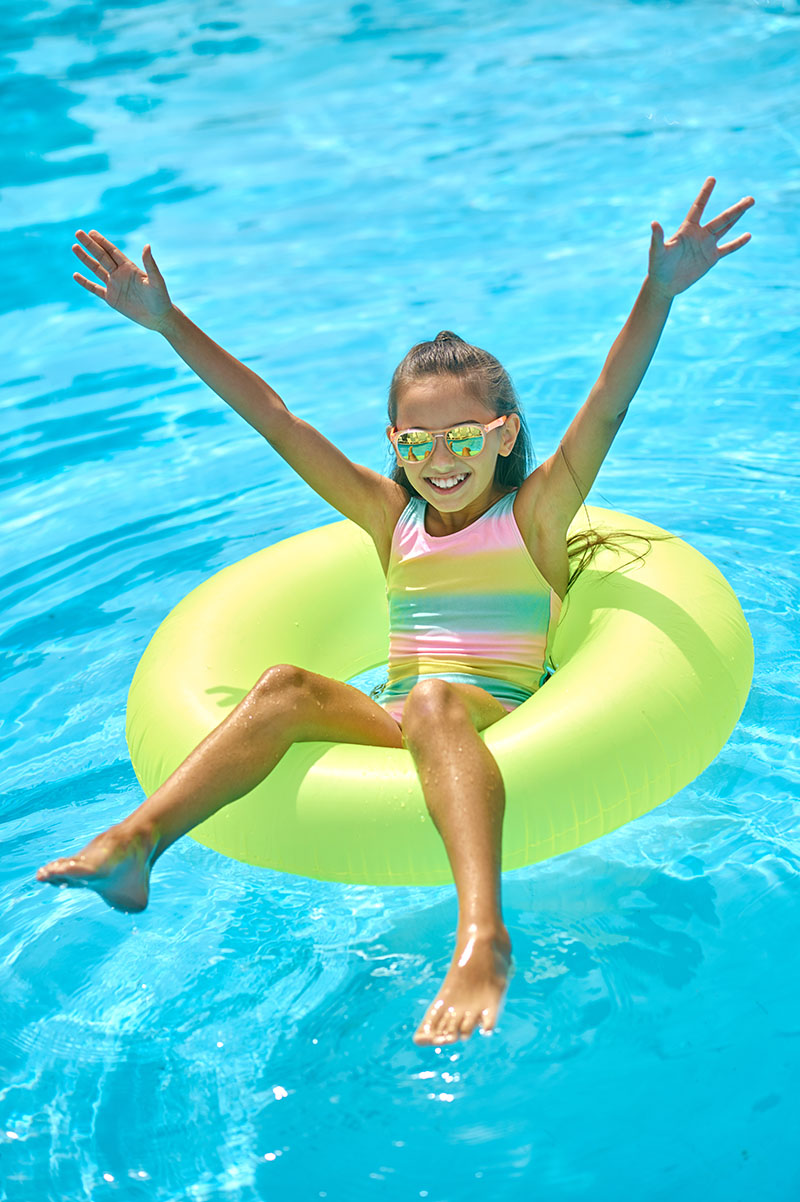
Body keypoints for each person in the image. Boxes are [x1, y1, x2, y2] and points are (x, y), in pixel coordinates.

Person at [36, 177, 754, 1046]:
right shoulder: (391, 519)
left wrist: (658, 292)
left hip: (492, 714)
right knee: (284, 686)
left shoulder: (534, 515)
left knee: (435, 698)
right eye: (418, 442)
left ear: (502, 432)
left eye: (462, 437)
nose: (441, 459)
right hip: (403, 717)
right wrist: (167, 321)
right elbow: (275, 417)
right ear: (395, 446)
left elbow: (608, 402)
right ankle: (137, 845)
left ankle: (483, 936)